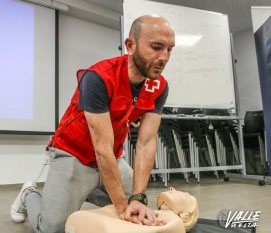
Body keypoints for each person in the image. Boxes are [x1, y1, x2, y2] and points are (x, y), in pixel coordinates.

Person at [10, 14, 175, 233]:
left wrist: (138, 198)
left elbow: (145, 143)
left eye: (170, 49)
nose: (164, 57)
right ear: (130, 45)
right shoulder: (99, 78)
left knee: (141, 210)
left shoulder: (159, 87)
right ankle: (28, 193)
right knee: (51, 229)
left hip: (112, 157)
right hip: (74, 153)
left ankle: (86, 189)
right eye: (156, 47)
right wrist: (122, 206)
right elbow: (101, 148)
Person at [65, 188, 199, 233]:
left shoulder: (176, 221)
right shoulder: (154, 213)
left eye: (185, 195)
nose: (172, 188)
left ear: (185, 216)